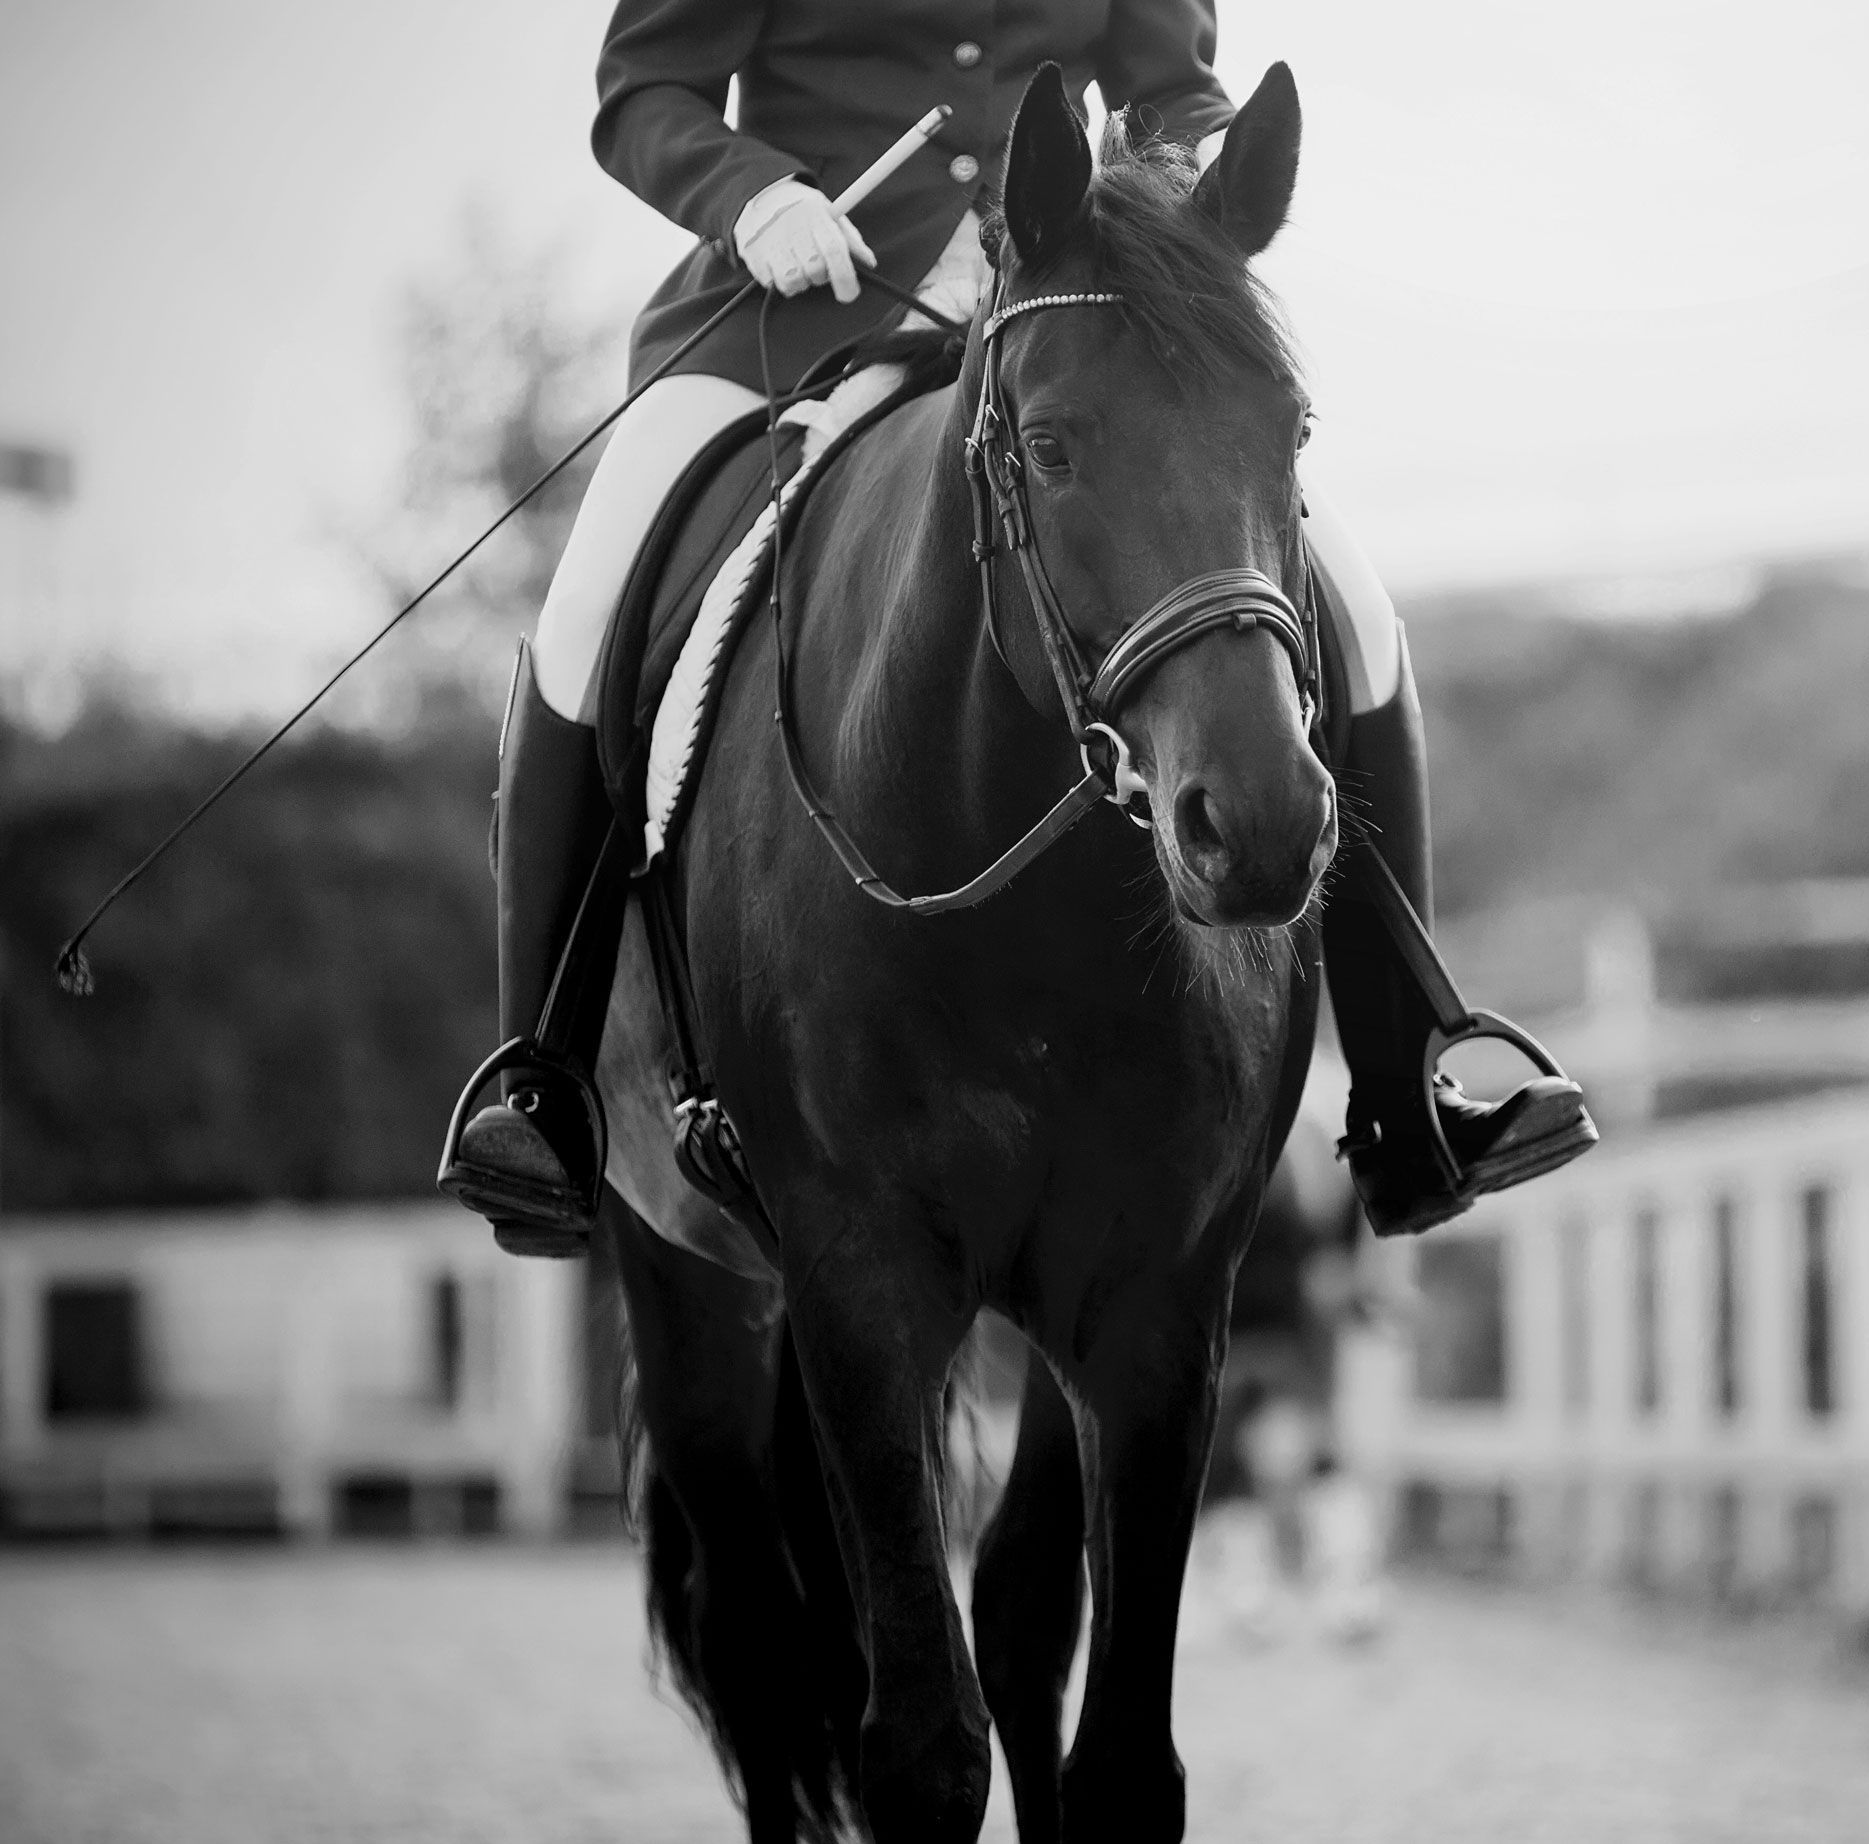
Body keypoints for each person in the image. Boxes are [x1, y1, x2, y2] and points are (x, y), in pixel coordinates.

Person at [440, 0, 1594, 1255]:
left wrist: (1200, 173)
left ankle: (1405, 1088)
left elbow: (1169, 89)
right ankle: (541, 1084)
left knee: (1354, 608)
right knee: (586, 612)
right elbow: (642, 91)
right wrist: (752, 195)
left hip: (1075, 322)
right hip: (799, 316)